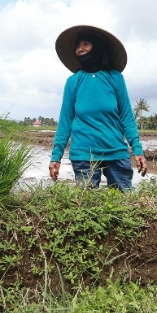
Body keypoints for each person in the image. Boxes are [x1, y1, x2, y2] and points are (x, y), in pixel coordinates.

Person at [49, 25, 147, 191]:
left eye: (86, 44)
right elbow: (66, 121)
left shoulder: (115, 78)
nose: (80, 49)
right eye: (78, 46)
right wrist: (56, 157)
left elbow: (126, 116)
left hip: (115, 151)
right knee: (86, 206)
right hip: (83, 153)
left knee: (122, 203)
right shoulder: (73, 82)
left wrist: (137, 149)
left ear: (98, 47)